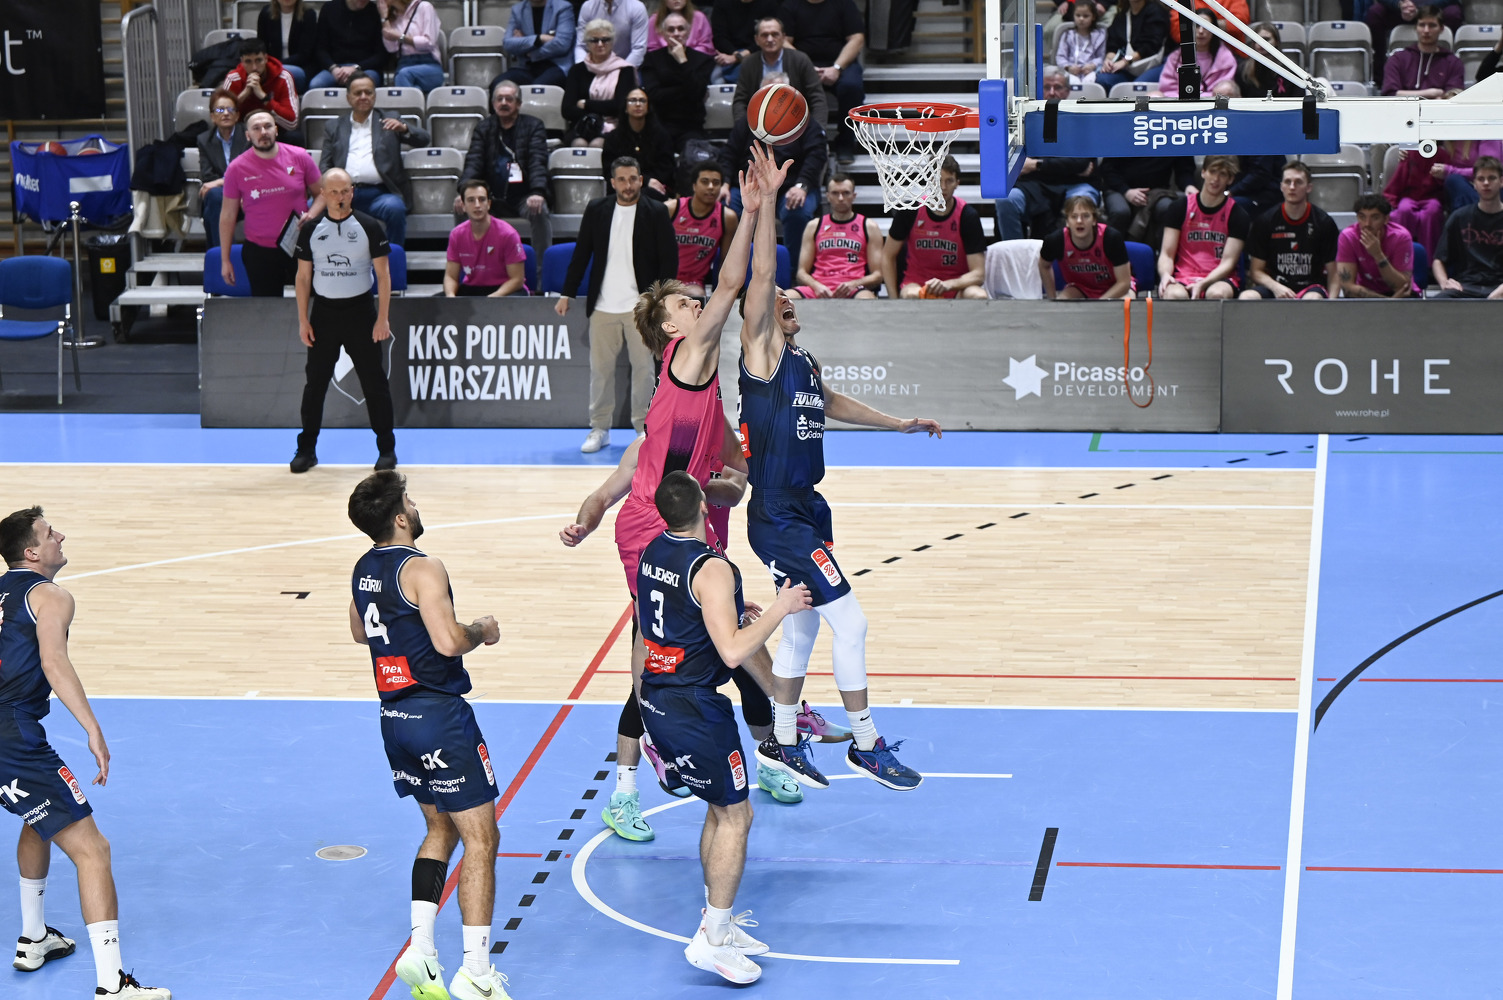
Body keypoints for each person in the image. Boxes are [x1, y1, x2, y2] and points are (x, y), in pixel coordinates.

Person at [562, 189, 821, 838]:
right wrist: (752, 211)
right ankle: (637, 779)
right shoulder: (686, 358)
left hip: (696, 533)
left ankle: (773, 747)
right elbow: (731, 284)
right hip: (655, 534)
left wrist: (737, 484)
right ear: (671, 332)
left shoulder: (700, 395)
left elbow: (731, 472)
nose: (694, 304)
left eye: (690, 299)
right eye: (683, 303)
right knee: (669, 654)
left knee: (727, 652)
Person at [738, 142, 941, 793]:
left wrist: (898, 423)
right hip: (777, 513)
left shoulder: (803, 360)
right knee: (850, 622)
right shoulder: (761, 354)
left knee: (799, 628)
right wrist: (767, 202)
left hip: (807, 508)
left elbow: (833, 403)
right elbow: (761, 278)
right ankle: (866, 744)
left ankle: (782, 740)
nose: (788, 301)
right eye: (778, 299)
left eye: (790, 298)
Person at [637, 472, 814, 984]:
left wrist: (730, 611)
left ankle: (716, 918)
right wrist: (781, 607)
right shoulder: (712, 567)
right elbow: (733, 651)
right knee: (738, 816)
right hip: (695, 707)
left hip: (660, 697)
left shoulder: (651, 552)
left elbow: (667, 618)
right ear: (701, 505)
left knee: (719, 811)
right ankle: (713, 940)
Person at [345, 473, 514, 1000]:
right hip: (439, 716)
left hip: (394, 720)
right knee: (482, 839)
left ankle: (421, 951)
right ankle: (477, 973)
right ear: (400, 518)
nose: (415, 506)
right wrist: (481, 630)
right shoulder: (423, 567)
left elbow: (359, 631)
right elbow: (448, 642)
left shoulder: (364, 567)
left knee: (440, 829)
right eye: (409, 501)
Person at [0, 510, 172, 1000]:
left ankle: (34, 937)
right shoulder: (50, 596)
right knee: (93, 849)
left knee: (38, 818)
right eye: (49, 533)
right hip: (14, 737)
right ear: (32, 552)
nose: (60, 536)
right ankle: (112, 984)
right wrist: (92, 729)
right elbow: (54, 661)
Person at [556, 157, 678, 453]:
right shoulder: (597, 209)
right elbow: (582, 253)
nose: (628, 185)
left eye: (633, 179)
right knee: (600, 371)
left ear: (641, 179)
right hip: (603, 306)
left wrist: (662, 301)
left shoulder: (656, 211)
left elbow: (669, 259)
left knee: (644, 371)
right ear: (612, 182)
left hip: (641, 308)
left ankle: (643, 430)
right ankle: (599, 428)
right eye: (622, 179)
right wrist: (567, 292)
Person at [289, 168, 396, 473]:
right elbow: (302, 277)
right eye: (333, 192)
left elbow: (384, 276)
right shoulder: (311, 229)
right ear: (323, 194)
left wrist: (383, 319)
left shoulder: (369, 226)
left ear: (352, 192)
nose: (340, 197)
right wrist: (303, 320)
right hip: (324, 315)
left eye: (345, 191)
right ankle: (306, 450)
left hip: (361, 313)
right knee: (315, 385)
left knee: (374, 383)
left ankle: (386, 449)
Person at [318, 72, 430, 249]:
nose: (363, 97)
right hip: (343, 194)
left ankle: (392, 257)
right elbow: (325, 164)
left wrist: (404, 129)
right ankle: (323, 257)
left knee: (395, 208)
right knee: (312, 206)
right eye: (358, 93)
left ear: (374, 95)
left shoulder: (390, 119)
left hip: (379, 194)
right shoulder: (334, 126)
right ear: (348, 97)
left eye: (368, 92)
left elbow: (424, 139)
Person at [220, 110, 324, 297]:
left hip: (300, 245)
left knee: (313, 305)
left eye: (268, 126)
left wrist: (311, 215)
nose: (263, 132)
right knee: (267, 309)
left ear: (276, 130)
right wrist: (225, 260)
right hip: (260, 252)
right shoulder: (236, 168)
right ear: (248, 135)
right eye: (256, 128)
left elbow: (322, 194)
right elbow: (228, 215)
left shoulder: (299, 156)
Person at [720, 80, 828, 251]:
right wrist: (724, 182)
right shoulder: (747, 122)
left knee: (797, 211)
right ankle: (732, 264)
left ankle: (794, 267)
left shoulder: (805, 123)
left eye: (780, 95)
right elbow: (728, 153)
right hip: (750, 186)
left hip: (789, 187)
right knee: (725, 208)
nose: (775, 102)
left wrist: (802, 186)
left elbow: (816, 156)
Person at [993, 69, 1098, 242]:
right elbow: (1016, 162)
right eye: (1047, 87)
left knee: (1083, 202)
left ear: (1067, 91)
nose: (1052, 92)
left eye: (1058, 87)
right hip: (1034, 185)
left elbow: (1082, 163)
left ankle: (1074, 256)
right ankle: (1015, 252)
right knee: (1006, 200)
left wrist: (1036, 165)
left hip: (1074, 184)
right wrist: (1066, 165)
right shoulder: (1025, 118)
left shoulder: (1081, 119)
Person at [457, 80, 553, 254]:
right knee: (462, 206)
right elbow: (473, 162)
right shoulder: (484, 128)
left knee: (539, 209)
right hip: (491, 198)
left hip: (524, 196)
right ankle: (469, 261)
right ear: (493, 103)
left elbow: (537, 161)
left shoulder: (533, 126)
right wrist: (464, 192)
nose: (503, 103)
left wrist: (538, 192)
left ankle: (542, 267)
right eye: (499, 99)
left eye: (509, 99)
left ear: (518, 104)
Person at [882, 154, 987, 299]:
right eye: (937, 180)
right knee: (911, 294)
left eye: (949, 181)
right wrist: (893, 300)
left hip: (955, 285)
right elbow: (887, 256)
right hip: (918, 283)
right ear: (928, 181)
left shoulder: (967, 216)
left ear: (957, 183)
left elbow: (979, 273)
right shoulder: (910, 211)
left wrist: (948, 285)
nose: (943, 187)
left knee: (978, 295)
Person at [778, 0, 866, 163]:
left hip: (840, 63)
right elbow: (784, 41)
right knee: (787, 89)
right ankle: (796, 143)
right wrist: (806, 66)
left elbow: (857, 39)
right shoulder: (790, 5)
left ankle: (846, 143)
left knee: (851, 87)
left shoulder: (844, 4)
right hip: (803, 64)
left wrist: (837, 68)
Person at [1239, 160, 1341, 300]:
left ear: (1309, 187)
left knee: (1312, 299)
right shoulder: (1265, 221)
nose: (1292, 187)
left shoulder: (1324, 222)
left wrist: (1332, 305)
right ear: (1281, 186)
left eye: (1298, 182)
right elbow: (1256, 271)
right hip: (1275, 285)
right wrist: (1276, 287)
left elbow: (1334, 273)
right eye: (1287, 182)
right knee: (1247, 297)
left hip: (1311, 287)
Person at [1156, 154, 1248, 300]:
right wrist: (1165, 275)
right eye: (1212, 171)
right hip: (1183, 275)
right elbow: (1167, 254)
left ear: (1230, 179)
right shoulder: (1180, 207)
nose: (1215, 179)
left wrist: (1204, 283)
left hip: (1219, 278)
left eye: (1222, 174)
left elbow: (1229, 262)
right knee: (1174, 295)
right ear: (1203, 172)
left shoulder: (1237, 214)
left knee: (1216, 294)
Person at [788, 172, 883, 299]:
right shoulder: (814, 226)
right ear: (828, 196)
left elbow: (878, 275)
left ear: (854, 196)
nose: (841, 198)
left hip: (854, 288)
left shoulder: (869, 226)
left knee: (866, 299)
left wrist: (854, 284)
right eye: (835, 193)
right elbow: (801, 273)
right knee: (784, 299)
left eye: (846, 193)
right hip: (819, 287)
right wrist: (816, 286)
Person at [730, 18, 829, 129]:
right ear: (756, 40)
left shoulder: (800, 60)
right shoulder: (748, 63)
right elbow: (740, 101)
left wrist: (818, 130)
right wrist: (743, 130)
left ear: (783, 37)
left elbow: (817, 99)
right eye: (764, 35)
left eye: (775, 34)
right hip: (760, 126)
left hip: (797, 125)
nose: (770, 39)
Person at [640, 12, 716, 148]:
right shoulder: (651, 59)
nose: (676, 33)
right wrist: (684, 91)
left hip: (691, 126)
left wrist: (683, 61)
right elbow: (653, 95)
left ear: (688, 32)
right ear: (663, 34)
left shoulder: (703, 60)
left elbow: (697, 94)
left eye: (681, 29)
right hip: (659, 124)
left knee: (694, 153)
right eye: (671, 30)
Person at [1432, 155, 1503, 298]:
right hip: (1466, 286)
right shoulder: (1459, 217)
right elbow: (1438, 260)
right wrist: (1445, 282)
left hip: (1500, 286)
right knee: (1439, 301)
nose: (1486, 183)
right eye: (1481, 179)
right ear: (1474, 184)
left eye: (1492, 178)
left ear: (1501, 181)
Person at [1038, 195, 1134, 299]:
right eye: (1074, 216)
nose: (1079, 221)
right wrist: (1052, 299)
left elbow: (1124, 283)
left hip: (1115, 286)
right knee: (1061, 304)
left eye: (1086, 216)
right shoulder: (1055, 241)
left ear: (1094, 220)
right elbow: (1043, 265)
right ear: (1067, 222)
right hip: (1080, 288)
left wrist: (1098, 305)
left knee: (1125, 303)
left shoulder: (1111, 238)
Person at [445, 179, 529, 296]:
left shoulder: (508, 234)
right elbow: (451, 276)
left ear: (488, 204)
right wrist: (450, 297)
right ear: (463, 206)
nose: (477, 205)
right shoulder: (456, 234)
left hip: (505, 290)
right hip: (472, 288)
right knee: (434, 304)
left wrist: (492, 298)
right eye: (471, 200)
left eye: (482, 199)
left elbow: (517, 279)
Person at [563, 19, 639, 147]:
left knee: (598, 144)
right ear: (587, 44)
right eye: (594, 40)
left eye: (605, 40)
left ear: (612, 42)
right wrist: (596, 115)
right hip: (582, 125)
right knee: (579, 143)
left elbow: (621, 106)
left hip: (616, 126)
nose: (600, 44)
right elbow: (567, 109)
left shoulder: (625, 70)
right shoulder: (577, 70)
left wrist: (586, 104)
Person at [668, 161, 739, 296]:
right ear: (694, 185)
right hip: (664, 279)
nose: (711, 187)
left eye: (716, 183)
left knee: (697, 295)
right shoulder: (671, 209)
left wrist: (722, 295)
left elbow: (726, 262)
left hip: (692, 284)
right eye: (705, 182)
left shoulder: (727, 217)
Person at [1098, 154, 1195, 244]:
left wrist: (1188, 185)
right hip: (1118, 188)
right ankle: (1110, 251)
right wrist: (1126, 191)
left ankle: (1162, 254)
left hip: (1157, 191)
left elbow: (1184, 169)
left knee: (1167, 208)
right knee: (1120, 212)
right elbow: (1107, 168)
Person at [1334, 193, 1416, 298]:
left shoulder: (1401, 237)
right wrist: (1387, 302)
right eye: (1362, 217)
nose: (1367, 224)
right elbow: (1347, 286)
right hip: (1366, 295)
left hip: (1400, 295)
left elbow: (1402, 286)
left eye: (1375, 218)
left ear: (1386, 219)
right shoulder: (1348, 237)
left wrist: (1378, 255)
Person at [600, 89, 676, 197]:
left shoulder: (661, 136)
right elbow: (611, 171)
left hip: (654, 190)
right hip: (623, 190)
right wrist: (644, 181)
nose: (638, 104)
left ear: (648, 107)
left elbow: (666, 169)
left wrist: (648, 182)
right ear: (625, 107)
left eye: (642, 101)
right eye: (632, 100)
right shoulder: (613, 138)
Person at [196, 89, 249, 240]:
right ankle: (225, 251)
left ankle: (221, 252)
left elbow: (250, 173)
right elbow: (208, 176)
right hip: (222, 198)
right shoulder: (204, 140)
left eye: (230, 109)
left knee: (211, 206)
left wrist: (220, 182)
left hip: (246, 197)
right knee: (214, 197)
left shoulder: (248, 135)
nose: (225, 113)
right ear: (212, 117)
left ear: (237, 115)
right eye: (220, 110)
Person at [223, 37, 301, 136]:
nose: (254, 67)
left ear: (266, 58)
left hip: (274, 131)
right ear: (242, 61)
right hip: (244, 132)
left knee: (295, 136)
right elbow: (221, 117)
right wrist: (243, 95)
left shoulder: (283, 77)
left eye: (258, 60)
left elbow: (292, 123)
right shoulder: (233, 79)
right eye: (248, 61)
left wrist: (264, 98)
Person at [1369, 0, 1461, 83]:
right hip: (1400, 8)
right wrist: (1399, 4)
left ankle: (1445, 70)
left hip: (1435, 6)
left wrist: (1420, 8)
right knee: (1375, 13)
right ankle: (1381, 77)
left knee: (1453, 14)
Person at [1381, 6, 1464, 98]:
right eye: (1422, 25)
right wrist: (1432, 93)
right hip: (1404, 107)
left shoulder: (1453, 62)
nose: (1426, 30)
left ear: (1441, 29)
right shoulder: (1397, 59)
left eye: (1432, 25)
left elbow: (1454, 96)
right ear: (1415, 28)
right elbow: (1390, 94)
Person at [1382, 143, 1449, 256]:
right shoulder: (1409, 153)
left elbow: (1446, 180)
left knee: (1432, 212)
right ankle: (1401, 255)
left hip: (1432, 196)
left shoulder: (1442, 154)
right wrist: (1391, 199)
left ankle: (1429, 259)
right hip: (1409, 196)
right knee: (1404, 210)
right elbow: (1399, 179)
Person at [311, 0, 388, 89]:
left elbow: (381, 54)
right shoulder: (329, 9)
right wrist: (333, 68)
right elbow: (320, 49)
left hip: (366, 68)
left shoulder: (375, 12)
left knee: (363, 85)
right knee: (316, 85)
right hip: (335, 67)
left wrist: (356, 68)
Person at [1151, 18, 1236, 98]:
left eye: (1206, 26)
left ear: (1214, 30)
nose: (1201, 31)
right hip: (1177, 100)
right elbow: (1167, 89)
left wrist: (1200, 98)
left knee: (1227, 88)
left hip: (1213, 102)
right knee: (1153, 96)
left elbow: (1224, 90)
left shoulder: (1225, 56)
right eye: (1197, 26)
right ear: (1190, 29)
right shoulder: (1175, 56)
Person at [498, 0, 575, 88]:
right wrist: (539, 38)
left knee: (536, 89)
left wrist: (530, 52)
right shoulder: (517, 10)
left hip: (556, 65)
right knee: (498, 84)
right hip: (526, 66)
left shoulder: (562, 7)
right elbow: (507, 44)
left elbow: (562, 44)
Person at [1096, 0, 1169, 92]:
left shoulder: (1156, 11)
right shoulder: (1122, 15)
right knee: (1103, 79)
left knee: (1137, 88)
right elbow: (1113, 45)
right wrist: (1109, 61)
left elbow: (1151, 45)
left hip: (1155, 64)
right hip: (1128, 67)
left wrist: (1126, 60)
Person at [380, 0, 446, 93]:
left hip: (429, 63)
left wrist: (400, 37)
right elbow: (391, 48)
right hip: (404, 63)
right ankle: (416, 97)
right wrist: (384, 18)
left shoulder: (424, 7)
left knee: (404, 75)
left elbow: (429, 43)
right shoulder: (393, 16)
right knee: (410, 84)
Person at [256, 0, 320, 93]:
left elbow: (305, 54)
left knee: (291, 73)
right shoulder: (266, 13)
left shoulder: (308, 14)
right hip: (272, 65)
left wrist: (277, 65)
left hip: (300, 66)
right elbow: (261, 45)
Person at [711, 0, 780, 84]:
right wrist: (735, 55)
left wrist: (738, 57)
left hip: (760, 51)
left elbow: (768, 38)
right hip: (729, 54)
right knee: (716, 79)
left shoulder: (769, 4)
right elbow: (719, 37)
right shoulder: (722, 3)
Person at [1433, 140, 1503, 213]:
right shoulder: (1445, 141)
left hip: (1492, 186)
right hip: (1465, 187)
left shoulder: (1487, 136)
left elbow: (1488, 169)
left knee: (1453, 180)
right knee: (1452, 182)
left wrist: (1449, 171)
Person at [1235, 22, 1301, 99]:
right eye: (1257, 40)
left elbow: (1299, 99)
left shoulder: (1290, 69)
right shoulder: (1243, 70)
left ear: (1276, 42)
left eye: (1266, 39)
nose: (1261, 43)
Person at [574, 0, 650, 66]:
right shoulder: (588, 7)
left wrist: (623, 72)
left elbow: (638, 48)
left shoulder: (636, 8)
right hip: (593, 66)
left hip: (625, 64)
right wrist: (583, 69)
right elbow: (581, 46)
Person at [1057, 2, 1107, 85]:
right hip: (1071, 71)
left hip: (1091, 71)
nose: (1081, 19)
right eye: (1078, 15)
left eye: (1085, 16)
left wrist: (1093, 65)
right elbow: (1060, 56)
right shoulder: (1067, 35)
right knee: (1072, 82)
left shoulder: (1100, 35)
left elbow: (1101, 56)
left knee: (1090, 83)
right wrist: (1068, 67)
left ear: (1093, 17)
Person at [648, 0, 716, 54]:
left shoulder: (699, 17)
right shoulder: (655, 20)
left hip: (695, 60)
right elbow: (652, 48)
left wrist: (686, 54)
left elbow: (706, 46)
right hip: (663, 61)